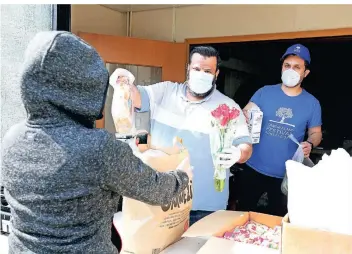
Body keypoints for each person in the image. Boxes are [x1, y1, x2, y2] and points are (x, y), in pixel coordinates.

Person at [0, 31, 191, 254]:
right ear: (85, 89)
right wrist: (183, 175)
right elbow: (157, 190)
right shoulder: (98, 148)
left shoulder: (12, 138)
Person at [116, 46, 253, 225]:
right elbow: (134, 96)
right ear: (188, 68)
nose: (201, 74)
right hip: (164, 200)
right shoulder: (164, 92)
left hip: (206, 207)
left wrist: (237, 153)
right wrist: (122, 81)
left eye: (207, 71)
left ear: (216, 74)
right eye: (196, 69)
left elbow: (246, 147)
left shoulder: (228, 107)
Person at [235, 44, 322, 216]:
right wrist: (242, 117)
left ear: (306, 73)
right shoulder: (264, 93)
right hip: (254, 168)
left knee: (279, 220)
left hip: (286, 175)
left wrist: (310, 143)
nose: (291, 70)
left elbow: (316, 133)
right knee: (243, 216)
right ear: (282, 68)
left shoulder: (312, 103)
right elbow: (244, 115)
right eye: (287, 65)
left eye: (297, 67)